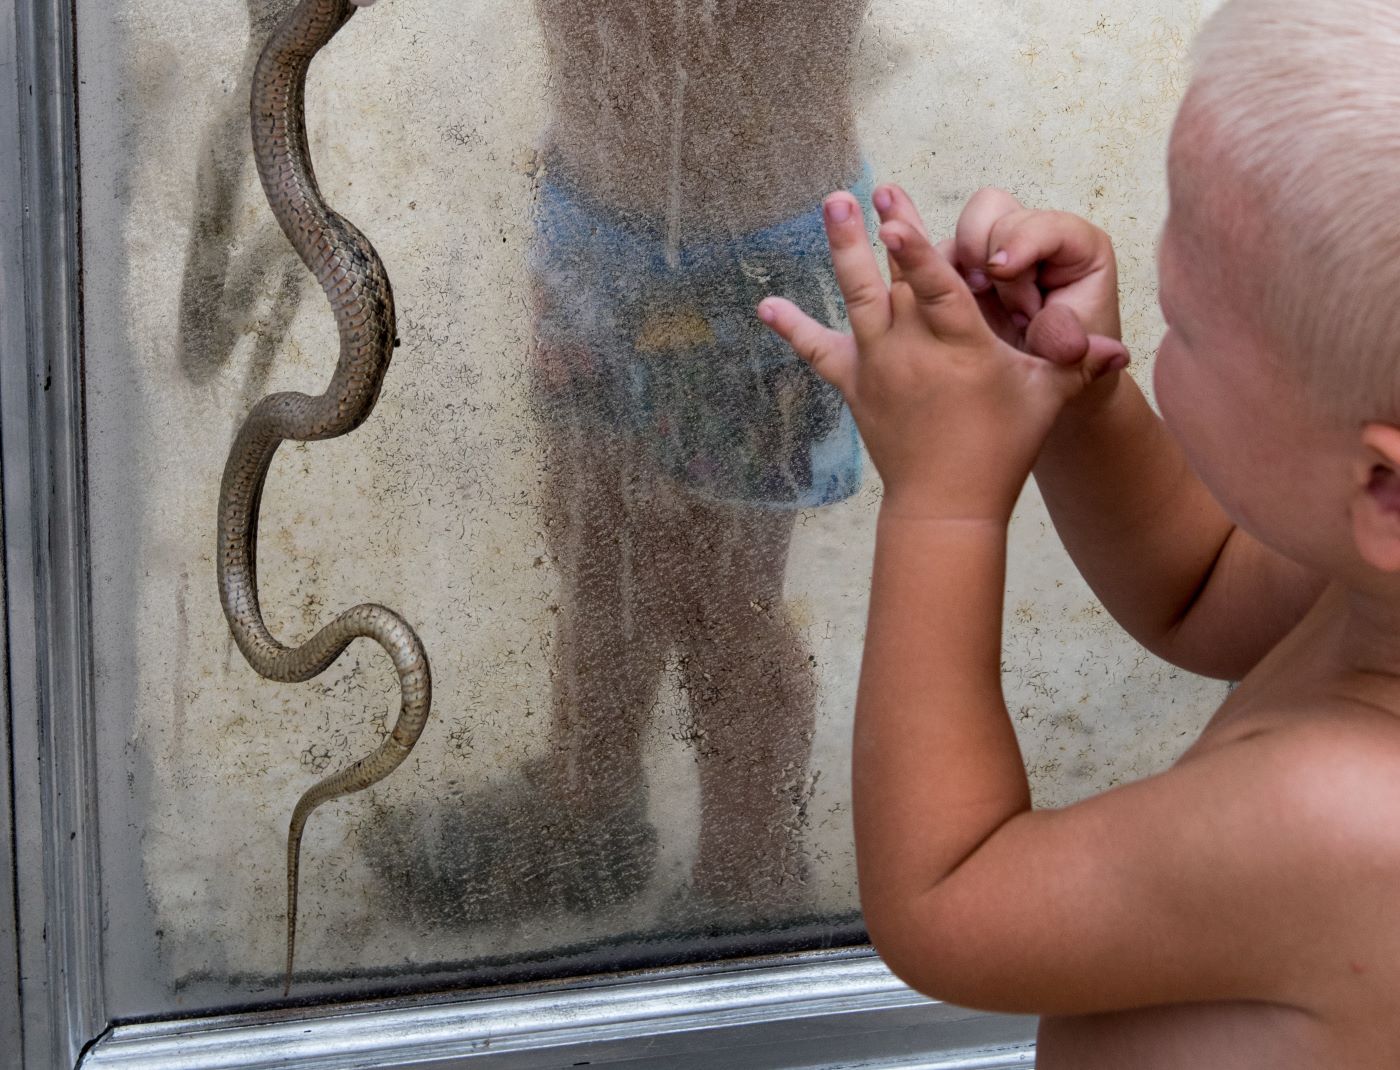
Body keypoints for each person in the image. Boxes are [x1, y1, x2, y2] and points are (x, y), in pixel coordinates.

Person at [759, 0, 1400, 1062]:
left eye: (1183, 328)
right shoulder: (1371, 578)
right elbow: (1192, 586)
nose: (1162, 334)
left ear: (1383, 487)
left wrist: (943, 498)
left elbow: (946, 900)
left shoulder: (1344, 820)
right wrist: (1077, 391)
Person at [369, 0, 875, 932]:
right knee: (590, 540)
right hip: (591, 221)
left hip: (751, 256)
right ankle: (584, 805)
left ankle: (749, 879)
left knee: (726, 600)